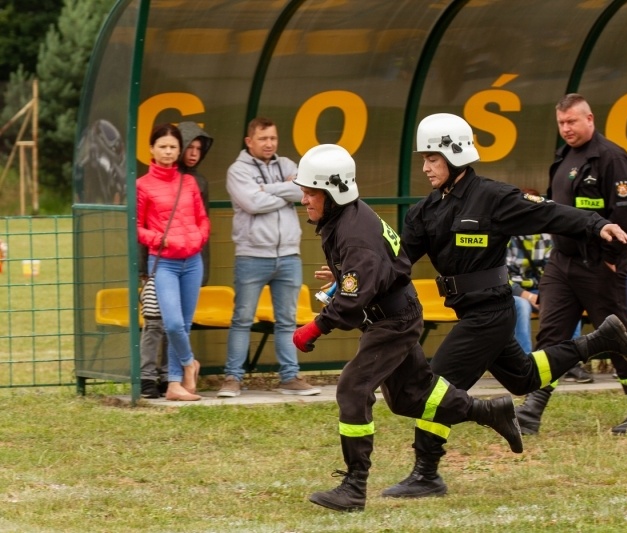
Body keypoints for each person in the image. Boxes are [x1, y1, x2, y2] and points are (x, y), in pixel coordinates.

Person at [383, 112, 627, 499]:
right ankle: (601, 340)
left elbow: (549, 211)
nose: (425, 167)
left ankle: (427, 473)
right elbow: (398, 261)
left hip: (493, 311)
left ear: (454, 156)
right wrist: (351, 278)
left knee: (437, 383)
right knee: (523, 377)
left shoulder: (494, 197)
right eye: (424, 158)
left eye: (432, 158)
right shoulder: (425, 211)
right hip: (471, 312)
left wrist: (594, 224)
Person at [291, 144, 524, 512]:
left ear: (333, 192)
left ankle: (354, 487)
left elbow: (353, 298)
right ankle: (489, 412)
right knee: (411, 397)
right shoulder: (345, 219)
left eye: (310, 191)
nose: (304, 198)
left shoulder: (352, 233)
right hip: (392, 315)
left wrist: (315, 328)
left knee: (353, 387)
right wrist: (343, 276)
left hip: (392, 321)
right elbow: (373, 272)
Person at [515, 93, 627, 436]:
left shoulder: (611, 158)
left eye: (572, 122)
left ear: (590, 119)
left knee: (614, 334)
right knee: (552, 333)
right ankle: (532, 409)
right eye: (561, 123)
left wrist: (611, 263)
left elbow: (626, 217)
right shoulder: (564, 156)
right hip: (562, 264)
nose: (566, 129)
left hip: (599, 266)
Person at [217, 117, 321, 397]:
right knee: (242, 318)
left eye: (273, 138)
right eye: (263, 139)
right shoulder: (237, 170)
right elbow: (251, 203)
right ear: (249, 141)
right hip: (251, 256)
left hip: (289, 255)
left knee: (287, 320)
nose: (269, 144)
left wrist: (268, 189)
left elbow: (302, 190)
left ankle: (290, 377)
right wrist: (283, 191)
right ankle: (232, 378)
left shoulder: (287, 164)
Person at [139, 122, 214, 399]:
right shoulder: (142, 185)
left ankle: (173, 385)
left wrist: (199, 237)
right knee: (171, 323)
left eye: (173, 147)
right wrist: (157, 239)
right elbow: (135, 227)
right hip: (164, 263)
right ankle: (189, 363)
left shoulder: (190, 182)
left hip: (192, 261)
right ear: (152, 149)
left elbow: (202, 218)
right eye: (163, 147)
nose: (169, 152)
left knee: (182, 324)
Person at [507, 231, 582, 364]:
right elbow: (502, 278)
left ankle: (571, 363)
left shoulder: (548, 238)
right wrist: (529, 296)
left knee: (569, 303)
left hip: (542, 288)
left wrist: (545, 295)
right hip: (513, 292)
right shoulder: (507, 238)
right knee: (522, 306)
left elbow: (552, 271)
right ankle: (525, 363)